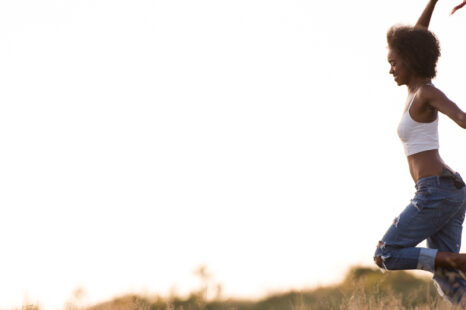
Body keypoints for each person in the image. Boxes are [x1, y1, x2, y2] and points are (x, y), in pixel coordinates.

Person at [373, 0, 466, 304]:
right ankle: (456, 266)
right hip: (446, 191)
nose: (390, 70)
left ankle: (461, 260)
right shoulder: (414, 92)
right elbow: (418, 35)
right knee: (448, 281)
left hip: (436, 191)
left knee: (386, 253)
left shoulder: (427, 92)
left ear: (410, 61)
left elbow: (462, 119)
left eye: (394, 63)